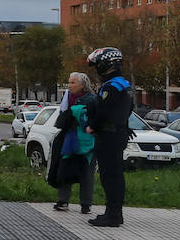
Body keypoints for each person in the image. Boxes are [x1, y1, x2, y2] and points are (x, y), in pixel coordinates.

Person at [86, 47, 133, 227]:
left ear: (106, 64)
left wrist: (92, 125)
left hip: (108, 136)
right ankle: (113, 212)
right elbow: (128, 110)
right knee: (114, 175)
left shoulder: (111, 86)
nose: (97, 69)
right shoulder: (125, 85)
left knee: (109, 176)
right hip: (118, 133)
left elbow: (104, 111)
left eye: (97, 65)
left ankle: (113, 215)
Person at [47, 72, 97, 213]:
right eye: (69, 82)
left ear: (83, 85)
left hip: (88, 142)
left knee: (87, 173)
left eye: (73, 83)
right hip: (68, 140)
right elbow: (61, 118)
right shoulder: (66, 98)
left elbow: (96, 120)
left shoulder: (92, 99)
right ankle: (63, 201)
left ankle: (86, 204)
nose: (69, 85)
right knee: (65, 169)